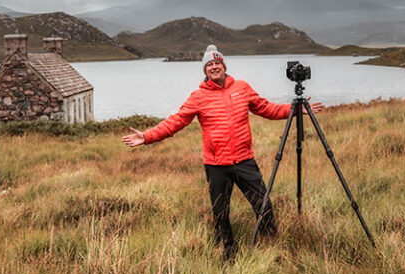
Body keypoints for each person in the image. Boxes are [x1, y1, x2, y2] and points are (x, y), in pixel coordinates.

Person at [122, 45, 323, 259]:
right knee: (220, 213)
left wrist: (293, 111)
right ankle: (228, 253)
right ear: (205, 70)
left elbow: (266, 108)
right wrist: (147, 136)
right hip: (216, 165)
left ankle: (271, 247)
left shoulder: (242, 88)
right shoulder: (198, 96)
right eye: (210, 64)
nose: (214, 67)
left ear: (224, 66)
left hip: (245, 161)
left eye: (217, 63)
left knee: (263, 205)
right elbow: (176, 121)